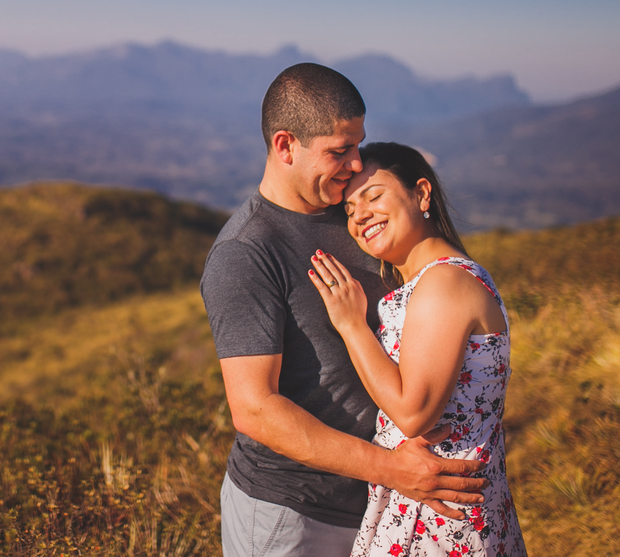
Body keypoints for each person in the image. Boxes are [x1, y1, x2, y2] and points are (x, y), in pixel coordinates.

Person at [200, 63, 487, 557]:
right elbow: (254, 410)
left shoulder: (357, 212)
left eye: (358, 145)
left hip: (383, 504)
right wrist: (391, 468)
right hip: (290, 514)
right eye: (339, 151)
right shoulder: (246, 253)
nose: (356, 165)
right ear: (285, 146)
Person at [308, 142, 526, 556]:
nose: (360, 216)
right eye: (350, 210)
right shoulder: (432, 282)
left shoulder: (444, 283)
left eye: (373, 196)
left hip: (441, 522)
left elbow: (413, 412)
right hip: (434, 507)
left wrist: (352, 325)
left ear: (422, 194)